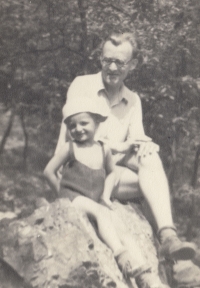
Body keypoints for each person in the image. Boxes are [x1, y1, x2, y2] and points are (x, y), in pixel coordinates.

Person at [55, 32, 196, 262]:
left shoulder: (133, 100)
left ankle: (168, 238)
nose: (111, 67)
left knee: (150, 159)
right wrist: (125, 145)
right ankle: (177, 264)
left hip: (108, 176)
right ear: (100, 58)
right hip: (79, 176)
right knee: (148, 173)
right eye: (106, 60)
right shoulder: (82, 85)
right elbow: (81, 142)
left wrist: (146, 146)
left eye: (119, 62)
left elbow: (136, 142)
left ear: (132, 65)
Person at [44, 97, 168, 288]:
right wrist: (62, 196)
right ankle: (121, 256)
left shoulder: (103, 149)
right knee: (101, 213)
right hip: (74, 197)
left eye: (84, 123)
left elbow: (111, 173)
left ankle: (144, 274)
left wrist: (105, 195)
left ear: (97, 122)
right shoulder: (69, 148)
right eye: (72, 126)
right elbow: (49, 171)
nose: (78, 129)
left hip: (95, 199)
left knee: (120, 225)